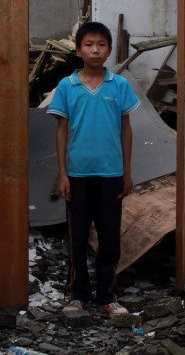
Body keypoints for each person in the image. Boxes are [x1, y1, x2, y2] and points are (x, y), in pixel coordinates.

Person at [48, 21, 140, 318]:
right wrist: (62, 173)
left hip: (111, 175)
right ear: (78, 50)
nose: (95, 50)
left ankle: (108, 296)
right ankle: (77, 295)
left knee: (110, 238)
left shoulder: (119, 85)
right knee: (76, 238)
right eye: (89, 44)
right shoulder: (67, 86)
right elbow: (61, 131)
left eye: (101, 44)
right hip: (77, 175)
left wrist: (126, 172)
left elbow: (126, 130)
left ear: (109, 50)